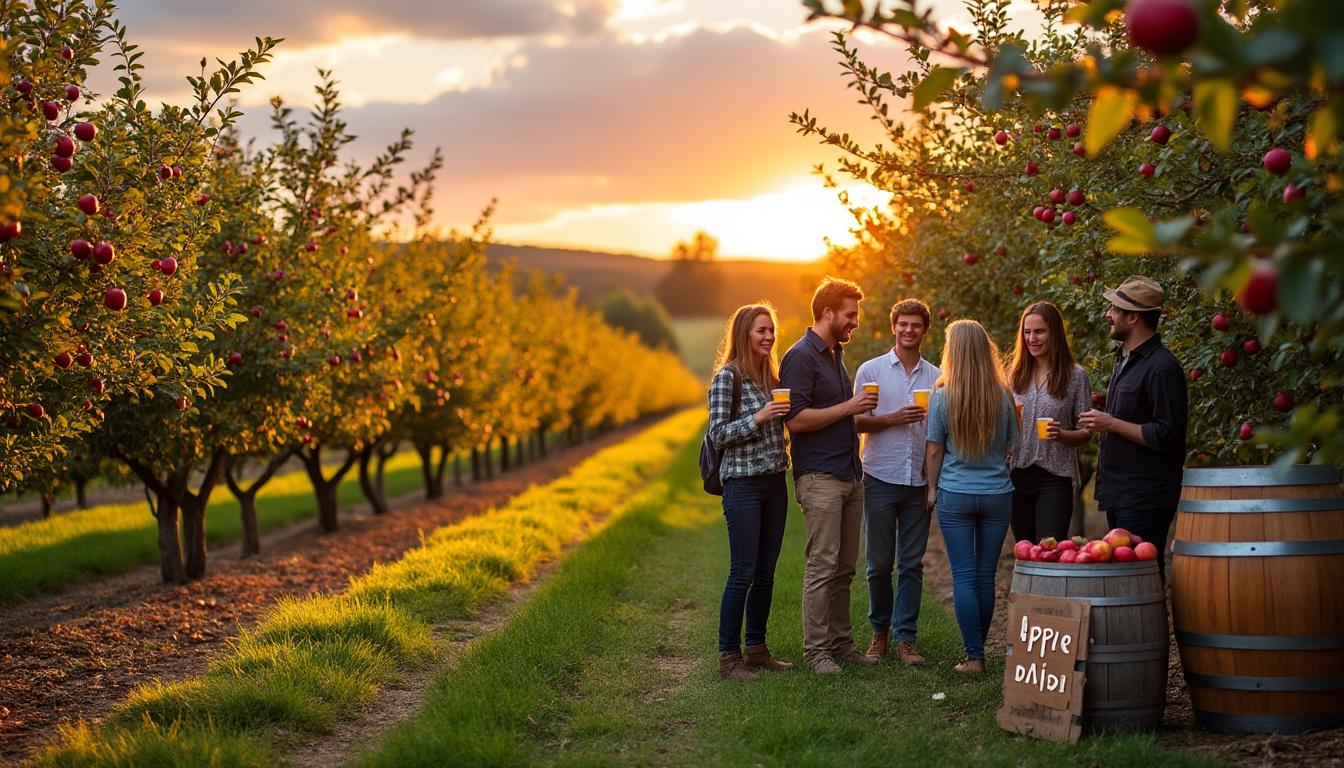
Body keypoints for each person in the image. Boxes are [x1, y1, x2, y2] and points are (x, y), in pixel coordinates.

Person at [779, 277, 879, 675]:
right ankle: (816, 651)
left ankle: (841, 643)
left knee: (845, 567)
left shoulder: (835, 354)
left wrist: (862, 412)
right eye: (850, 315)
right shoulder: (801, 357)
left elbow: (839, 415)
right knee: (822, 564)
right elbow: (795, 420)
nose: (855, 322)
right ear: (827, 313)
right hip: (820, 476)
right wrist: (851, 405)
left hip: (849, 474)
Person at [1077, 276, 1188, 579]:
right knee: (1127, 575)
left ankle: (1152, 629)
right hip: (1121, 491)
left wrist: (1110, 423)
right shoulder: (1125, 360)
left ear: (1133, 316)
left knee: (1143, 574)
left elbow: (1168, 434)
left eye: (1114, 309)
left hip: (1145, 495)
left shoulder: (1162, 368)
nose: (1108, 315)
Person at [707, 302, 794, 680]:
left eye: (771, 330)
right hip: (743, 485)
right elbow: (717, 433)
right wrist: (758, 417)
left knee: (766, 573)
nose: (769, 336)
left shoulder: (771, 378)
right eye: (761, 330)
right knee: (742, 570)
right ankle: (729, 657)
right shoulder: (729, 377)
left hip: (775, 482)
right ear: (744, 333)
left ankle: (756, 649)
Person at [925, 319, 1017, 674]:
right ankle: (978, 653)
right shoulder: (1003, 395)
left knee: (963, 576)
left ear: (954, 352)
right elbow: (1013, 445)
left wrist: (932, 487)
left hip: (956, 495)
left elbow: (934, 450)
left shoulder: (943, 396)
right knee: (985, 575)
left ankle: (974, 656)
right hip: (997, 495)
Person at [853, 299, 939, 665]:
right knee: (878, 563)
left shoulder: (938, 377)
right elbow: (854, 421)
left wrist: (934, 479)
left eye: (915, 325)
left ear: (924, 330)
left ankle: (906, 639)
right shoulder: (870, 371)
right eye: (902, 324)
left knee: (912, 563)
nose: (908, 330)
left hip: (918, 479)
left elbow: (941, 431)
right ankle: (879, 633)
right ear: (893, 327)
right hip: (880, 475)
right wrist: (892, 418)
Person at [1005, 301, 1093, 544]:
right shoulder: (1012, 376)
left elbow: (1087, 433)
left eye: (1039, 331)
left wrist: (1061, 434)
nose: (1032, 338)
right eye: (1027, 331)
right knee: (1024, 552)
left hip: (1055, 478)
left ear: (1054, 332)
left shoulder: (1075, 376)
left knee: (1047, 551)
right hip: (1016, 476)